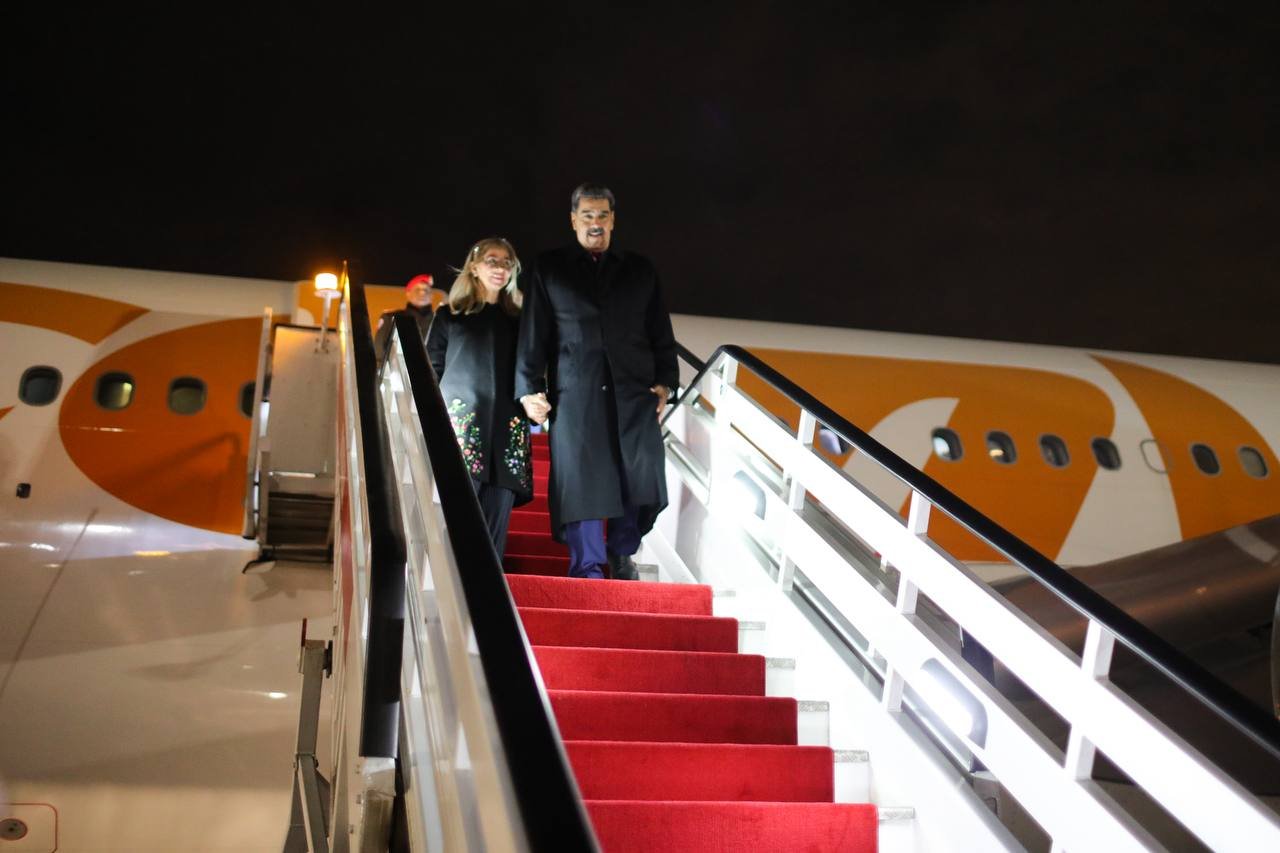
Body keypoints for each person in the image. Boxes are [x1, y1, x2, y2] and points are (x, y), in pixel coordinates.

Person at [515, 183, 678, 580]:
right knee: (583, 482)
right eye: (587, 215)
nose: (595, 223)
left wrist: (665, 382)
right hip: (576, 393)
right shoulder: (550, 268)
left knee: (637, 476)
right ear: (573, 220)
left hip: (634, 391)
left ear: (613, 220)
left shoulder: (640, 270)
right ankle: (587, 566)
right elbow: (534, 331)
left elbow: (660, 329)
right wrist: (529, 387)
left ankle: (621, 552)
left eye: (602, 215)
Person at [426, 238, 533, 556]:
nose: (500, 268)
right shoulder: (450, 315)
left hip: (507, 429)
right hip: (462, 426)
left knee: (494, 528)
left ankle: (488, 584)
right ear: (473, 267)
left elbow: (533, 370)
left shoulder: (522, 321)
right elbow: (432, 369)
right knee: (457, 515)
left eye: (506, 262)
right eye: (492, 260)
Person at [404, 273, 439, 338]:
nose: (422, 293)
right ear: (408, 294)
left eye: (426, 290)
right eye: (417, 289)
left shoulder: (441, 322)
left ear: (432, 295)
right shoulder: (392, 318)